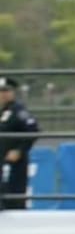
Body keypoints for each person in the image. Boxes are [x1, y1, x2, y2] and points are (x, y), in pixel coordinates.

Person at [0, 76, 39, 210]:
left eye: (6, 91)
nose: (3, 94)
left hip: (14, 163)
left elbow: (33, 129)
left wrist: (20, 150)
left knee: (14, 195)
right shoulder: (3, 112)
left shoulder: (18, 110)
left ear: (13, 92)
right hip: (3, 160)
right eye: (0, 91)